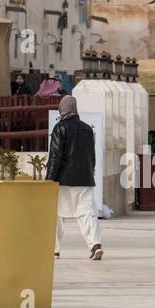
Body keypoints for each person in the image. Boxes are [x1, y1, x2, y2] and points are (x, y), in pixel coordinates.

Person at [46, 95, 102, 261]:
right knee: (87, 213)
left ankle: (54, 250)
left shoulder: (59, 128)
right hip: (84, 178)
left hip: (63, 180)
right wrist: (90, 172)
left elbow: (55, 156)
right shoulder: (87, 129)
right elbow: (92, 156)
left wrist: (49, 180)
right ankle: (95, 244)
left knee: (55, 214)